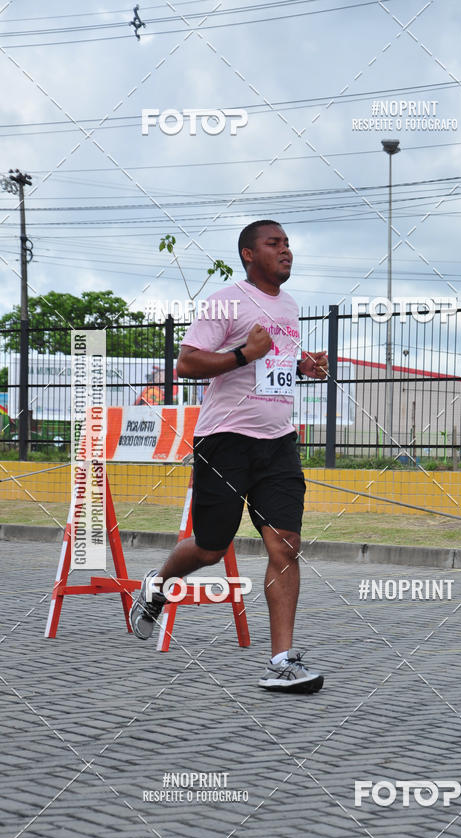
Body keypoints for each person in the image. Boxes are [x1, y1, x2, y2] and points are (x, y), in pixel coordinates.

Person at [130, 220, 328, 693]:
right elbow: (188, 362)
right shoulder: (226, 300)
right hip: (225, 440)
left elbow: (273, 362)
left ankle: (281, 660)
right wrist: (242, 353)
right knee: (211, 548)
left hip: (278, 441)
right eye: (274, 243)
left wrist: (303, 365)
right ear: (247, 254)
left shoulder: (291, 306)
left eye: (288, 243)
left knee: (285, 545)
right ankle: (155, 584)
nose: (286, 250)